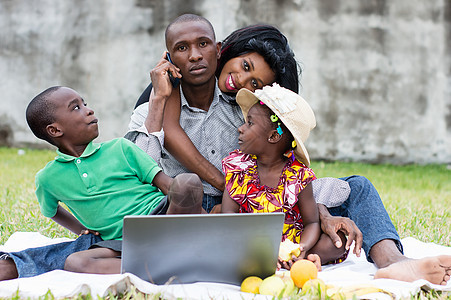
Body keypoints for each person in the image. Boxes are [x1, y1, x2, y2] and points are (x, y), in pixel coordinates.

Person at [127, 14, 451, 285]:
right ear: (171, 56)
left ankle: (393, 261)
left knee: (357, 187)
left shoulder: (244, 106)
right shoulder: (156, 102)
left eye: (254, 83)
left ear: (216, 49)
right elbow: (134, 168)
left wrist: (320, 213)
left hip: (260, 202)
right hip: (194, 206)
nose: (241, 82)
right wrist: (158, 99)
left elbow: (285, 168)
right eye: (183, 49)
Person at [0, 86, 203, 280]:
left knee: (187, 182)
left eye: (85, 103)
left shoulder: (121, 148)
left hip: (163, 217)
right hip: (122, 242)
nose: (89, 110)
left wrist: (197, 210)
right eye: (76, 107)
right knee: (75, 262)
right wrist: (81, 229)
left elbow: (168, 185)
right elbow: (51, 211)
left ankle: (172, 253)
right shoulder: (48, 178)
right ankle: (168, 265)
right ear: (55, 130)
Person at [221, 84, 347, 269]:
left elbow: (312, 222)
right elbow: (228, 216)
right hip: (248, 241)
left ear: (273, 136)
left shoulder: (298, 176)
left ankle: (296, 260)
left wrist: (301, 248)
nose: (240, 128)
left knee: (338, 244)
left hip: (291, 243)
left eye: (250, 123)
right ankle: (266, 259)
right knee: (224, 242)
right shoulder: (239, 168)